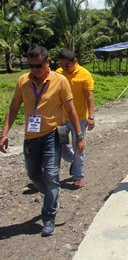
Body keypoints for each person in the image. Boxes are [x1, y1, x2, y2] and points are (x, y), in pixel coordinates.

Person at [0, 45, 85, 237]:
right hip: (31, 138)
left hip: (52, 135)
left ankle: (48, 217)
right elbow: (13, 107)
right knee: (33, 174)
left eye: (38, 65)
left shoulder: (60, 81)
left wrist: (79, 137)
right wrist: (4, 133)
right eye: (31, 66)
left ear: (47, 62)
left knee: (52, 175)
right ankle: (51, 193)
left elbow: (71, 110)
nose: (35, 70)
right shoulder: (23, 81)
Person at [56, 49, 95, 189]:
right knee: (58, 145)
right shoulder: (58, 74)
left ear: (74, 62)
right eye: (61, 64)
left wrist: (91, 116)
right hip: (61, 118)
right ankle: (74, 160)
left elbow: (89, 97)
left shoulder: (85, 74)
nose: (64, 67)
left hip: (79, 119)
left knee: (79, 147)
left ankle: (78, 176)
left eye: (67, 64)